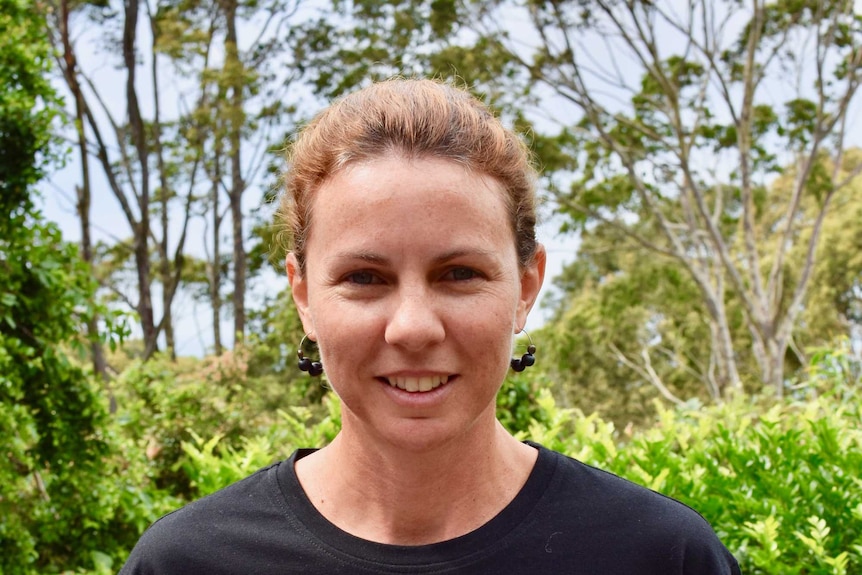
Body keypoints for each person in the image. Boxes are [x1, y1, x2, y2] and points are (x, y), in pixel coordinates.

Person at [120, 78, 741, 574]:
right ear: (303, 294)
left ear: (526, 286)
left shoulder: (659, 556)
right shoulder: (188, 561)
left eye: (460, 273)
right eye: (365, 277)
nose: (412, 329)